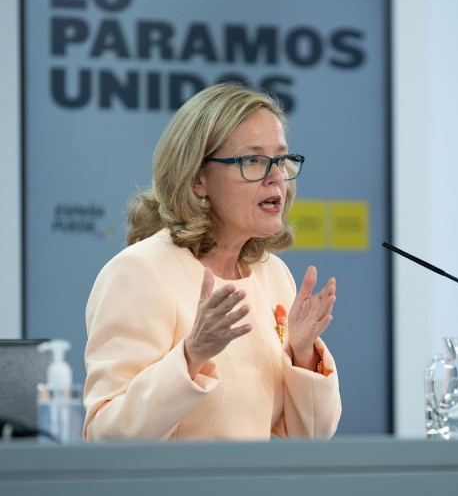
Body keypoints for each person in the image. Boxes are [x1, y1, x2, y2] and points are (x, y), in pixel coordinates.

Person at [83, 83, 341, 441]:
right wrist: (191, 356)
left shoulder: (272, 274)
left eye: (280, 159)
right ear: (198, 179)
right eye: (253, 160)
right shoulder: (139, 273)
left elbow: (307, 439)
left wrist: (301, 354)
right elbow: (104, 437)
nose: (276, 177)